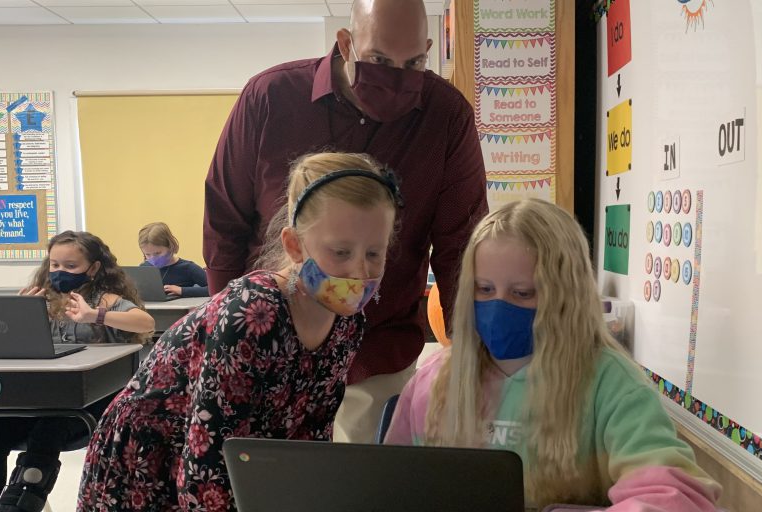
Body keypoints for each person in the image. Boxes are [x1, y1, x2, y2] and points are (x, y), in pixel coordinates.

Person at [203, 0, 487, 443]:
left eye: (412, 63)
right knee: (266, 483)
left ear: (428, 49)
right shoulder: (271, 98)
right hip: (269, 343)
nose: (395, 76)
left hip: (377, 351)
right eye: (378, 60)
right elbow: (225, 221)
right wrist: (230, 330)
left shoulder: (446, 116)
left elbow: (461, 248)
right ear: (346, 43)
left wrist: (474, 359)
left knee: (362, 489)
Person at [78, 153, 402, 511]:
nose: (359, 270)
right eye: (341, 251)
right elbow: (207, 467)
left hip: (213, 466)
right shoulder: (253, 314)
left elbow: (311, 437)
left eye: (375, 252)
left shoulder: (348, 322)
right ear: (295, 246)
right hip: (147, 462)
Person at [385, 199, 722, 511]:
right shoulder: (435, 379)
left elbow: (674, 496)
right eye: (484, 289)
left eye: (522, 293)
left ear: (565, 297)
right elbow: (389, 484)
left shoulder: (612, 385)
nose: (498, 306)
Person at [0, 231, 154, 512]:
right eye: (54, 265)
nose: (60, 272)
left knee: (49, 427)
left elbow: (145, 322)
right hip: (42, 398)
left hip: (91, 403)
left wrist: (94, 315)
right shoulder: (41, 299)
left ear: (93, 268)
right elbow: (13, 347)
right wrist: (19, 315)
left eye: (71, 266)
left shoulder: (105, 300)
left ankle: (21, 503)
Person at [138, 221, 209, 298]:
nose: (153, 258)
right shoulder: (143, 268)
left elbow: (215, 290)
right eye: (147, 254)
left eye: (157, 253)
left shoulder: (188, 268)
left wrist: (182, 290)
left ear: (170, 246)